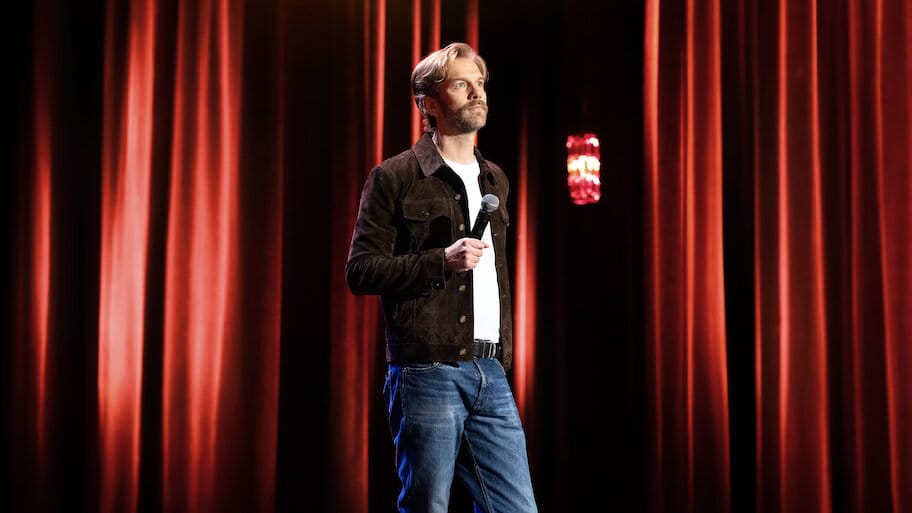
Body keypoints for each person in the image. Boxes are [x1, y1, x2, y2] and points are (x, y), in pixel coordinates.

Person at [345, 42, 539, 513]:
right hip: (427, 370)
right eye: (460, 84)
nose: (477, 93)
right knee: (427, 505)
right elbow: (360, 271)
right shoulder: (396, 176)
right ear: (429, 103)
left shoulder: (495, 179)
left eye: (480, 84)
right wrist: (439, 260)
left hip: (490, 370)